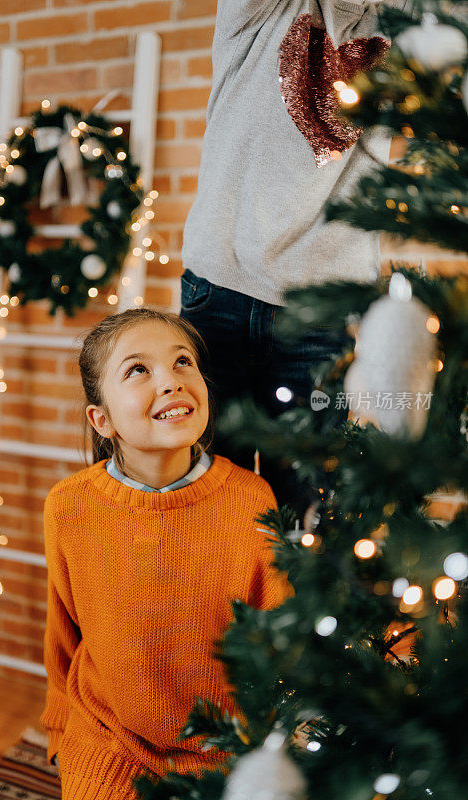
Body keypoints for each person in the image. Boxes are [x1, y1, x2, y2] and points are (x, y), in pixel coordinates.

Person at [40, 308, 290, 800]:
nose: (172, 382)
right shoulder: (68, 506)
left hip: (226, 747)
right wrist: (60, 735)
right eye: (138, 369)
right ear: (102, 419)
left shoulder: (250, 498)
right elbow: (63, 635)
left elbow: (277, 632)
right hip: (110, 738)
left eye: (183, 362)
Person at [180, 0, 401, 515]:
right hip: (220, 292)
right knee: (208, 503)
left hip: (322, 309)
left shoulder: (401, 20)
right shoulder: (262, 11)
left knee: (308, 515)